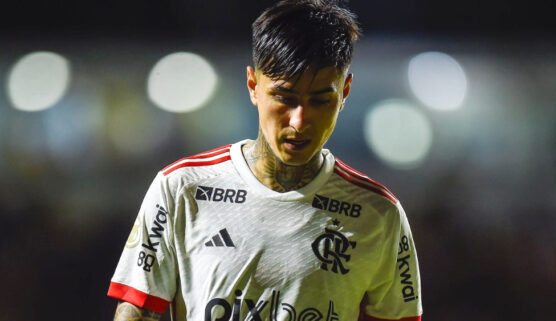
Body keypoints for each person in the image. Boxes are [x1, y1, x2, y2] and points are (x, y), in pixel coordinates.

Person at [108, 1, 423, 320]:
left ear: (344, 93)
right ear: (253, 86)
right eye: (285, 98)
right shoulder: (181, 187)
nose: (299, 121)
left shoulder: (379, 214)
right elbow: (136, 309)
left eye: (319, 101)